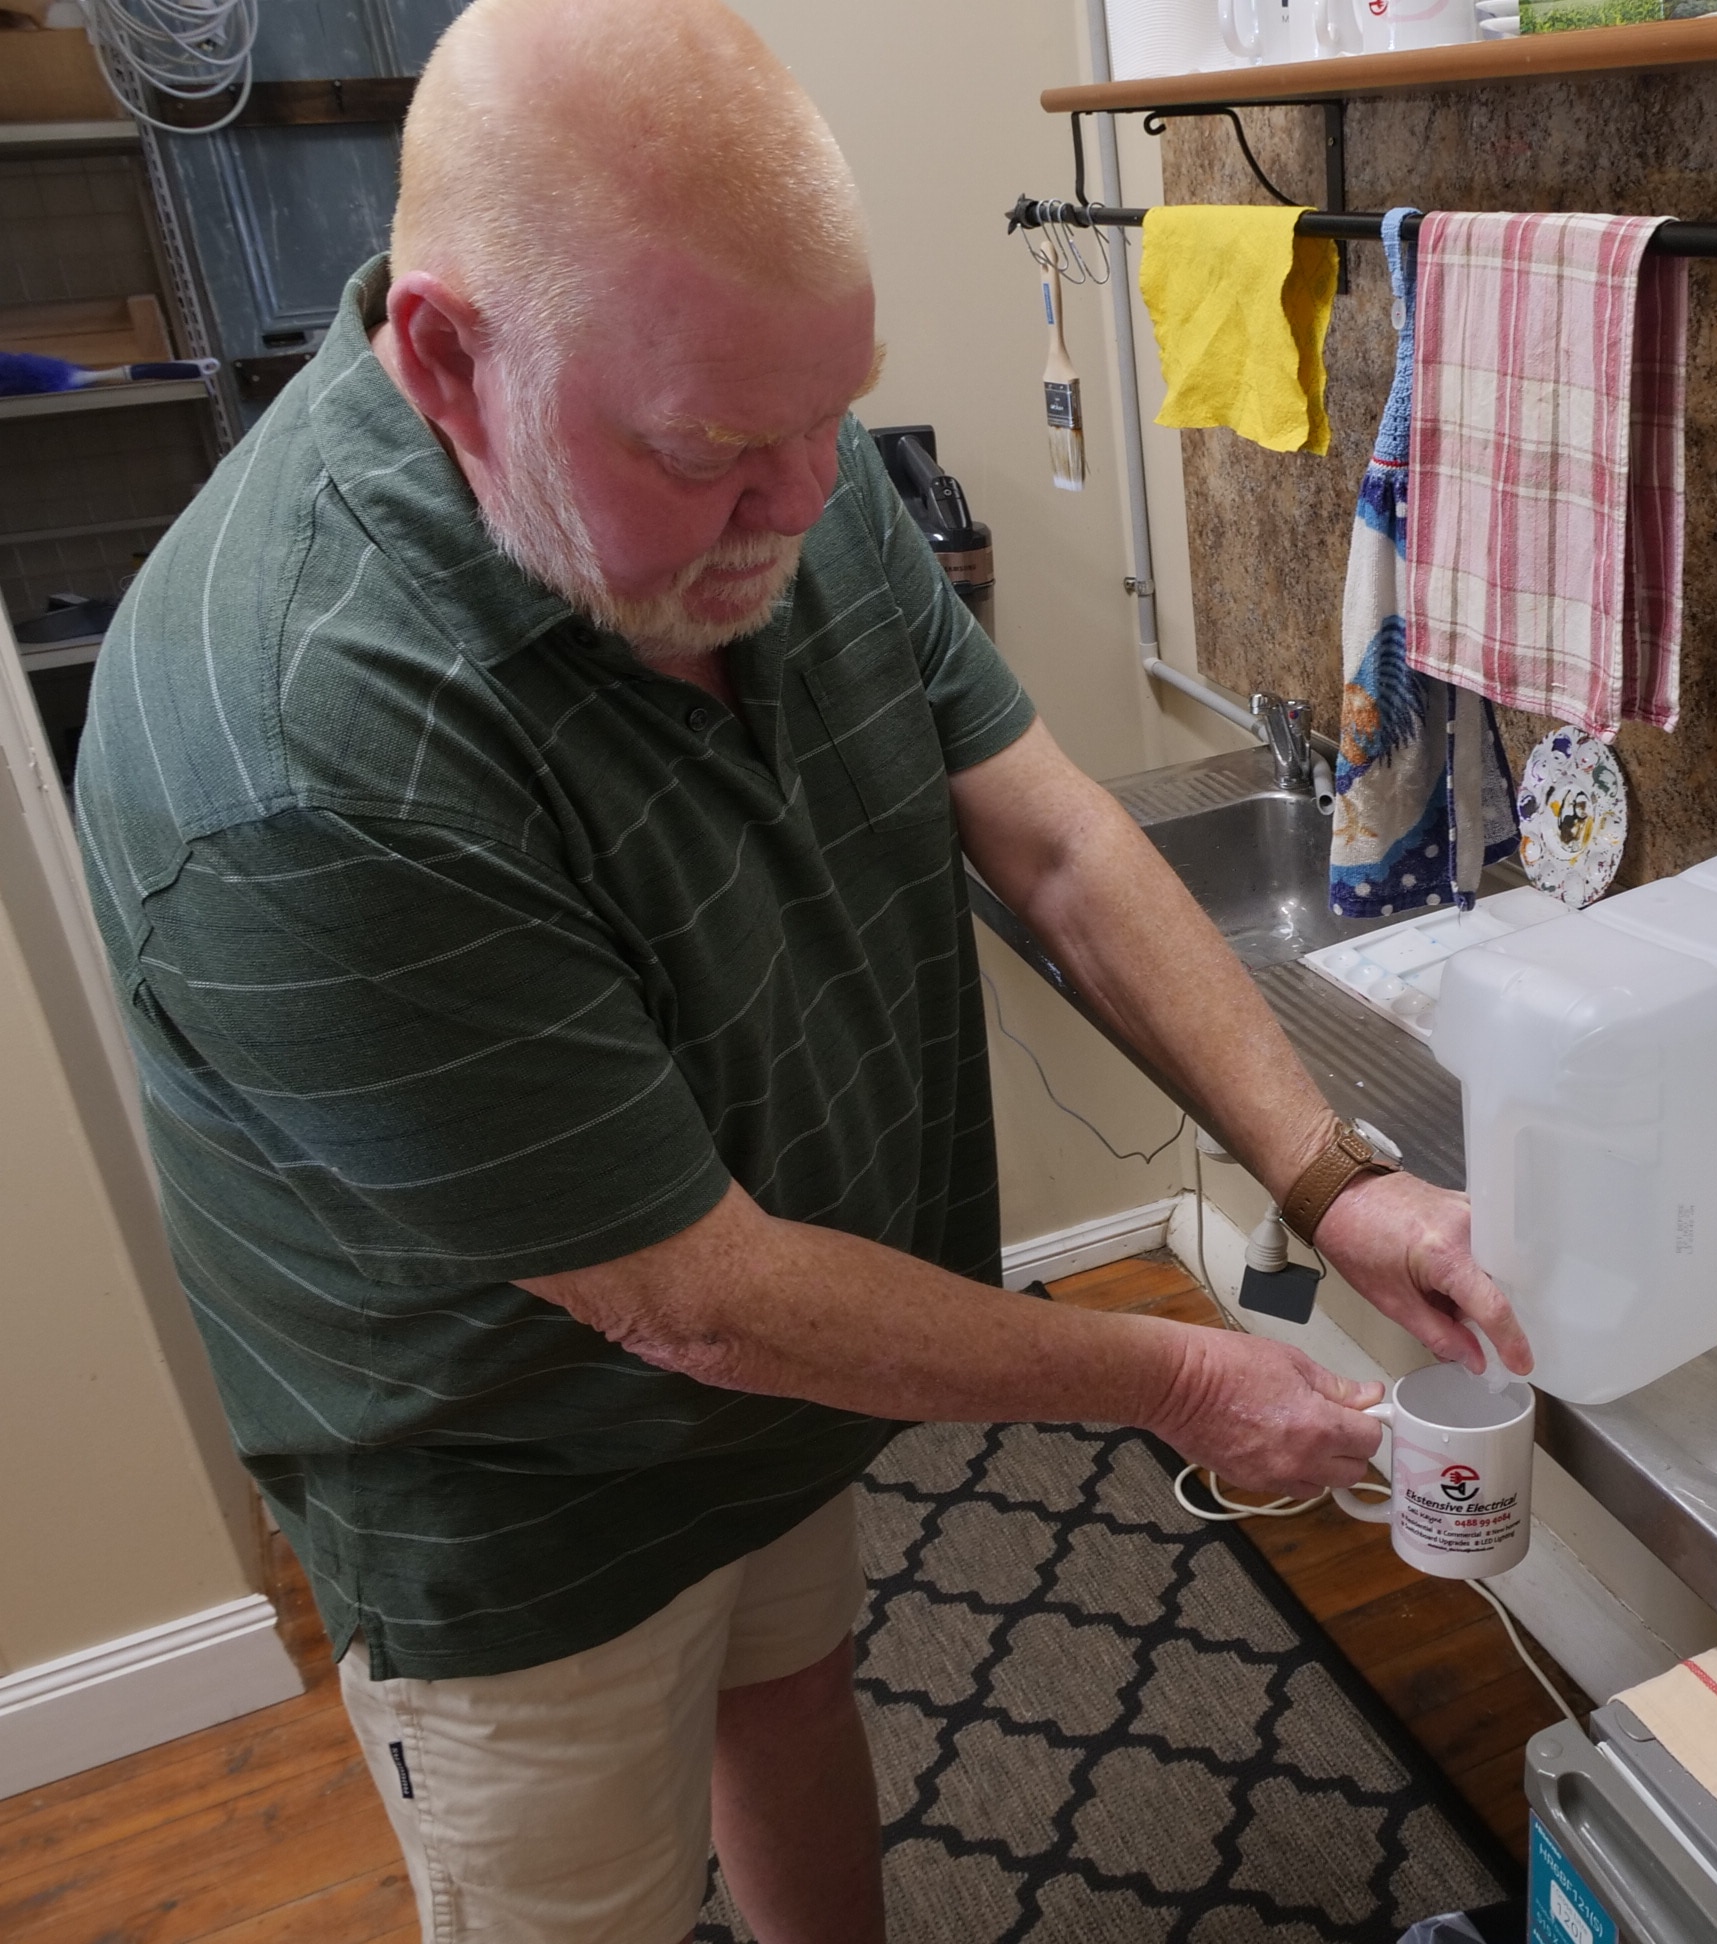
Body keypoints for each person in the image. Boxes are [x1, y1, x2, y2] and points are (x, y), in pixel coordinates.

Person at [71, 0, 1529, 1937]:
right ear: (446, 359)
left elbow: (1065, 843)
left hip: (779, 1359)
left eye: (828, 416)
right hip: (516, 1488)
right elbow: (695, 1297)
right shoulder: (303, 749)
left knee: (795, 1694)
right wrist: (1181, 1378)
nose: (800, 502)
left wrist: (1328, 1184)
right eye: (710, 452)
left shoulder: (767, 449)